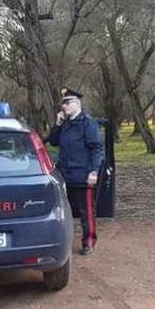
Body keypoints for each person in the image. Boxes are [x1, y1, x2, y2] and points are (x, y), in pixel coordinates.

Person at [47, 88, 104, 256]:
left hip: (82, 175)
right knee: (65, 211)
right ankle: (63, 243)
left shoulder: (88, 123)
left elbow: (96, 149)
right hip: (65, 175)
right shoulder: (65, 124)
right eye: (63, 103)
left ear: (77, 103)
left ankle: (89, 242)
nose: (64, 106)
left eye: (68, 102)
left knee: (87, 211)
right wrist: (57, 124)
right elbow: (53, 142)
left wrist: (94, 171)